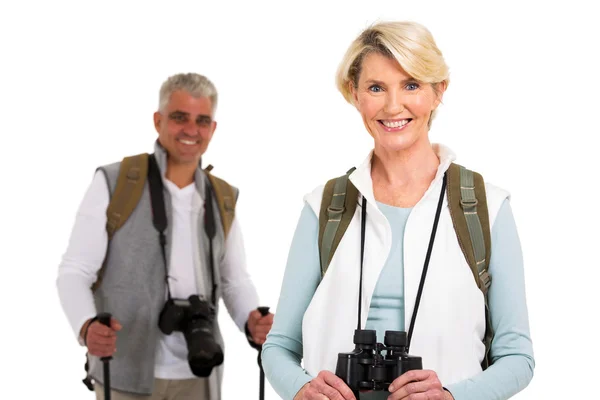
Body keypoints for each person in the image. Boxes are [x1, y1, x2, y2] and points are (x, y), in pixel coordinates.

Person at [261, 21, 534, 400]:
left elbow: (518, 357)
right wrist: (301, 389)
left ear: (439, 91)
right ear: (355, 95)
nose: (393, 106)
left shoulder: (486, 207)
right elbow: (279, 347)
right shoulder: (324, 207)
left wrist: (453, 397)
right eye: (376, 88)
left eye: (411, 85)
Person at [56, 72, 274, 400]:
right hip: (126, 370)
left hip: (200, 369)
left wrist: (252, 320)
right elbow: (74, 271)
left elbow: (234, 280)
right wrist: (86, 326)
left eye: (202, 121)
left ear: (213, 129)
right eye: (179, 117)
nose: (191, 130)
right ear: (158, 121)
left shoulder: (222, 196)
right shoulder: (115, 183)